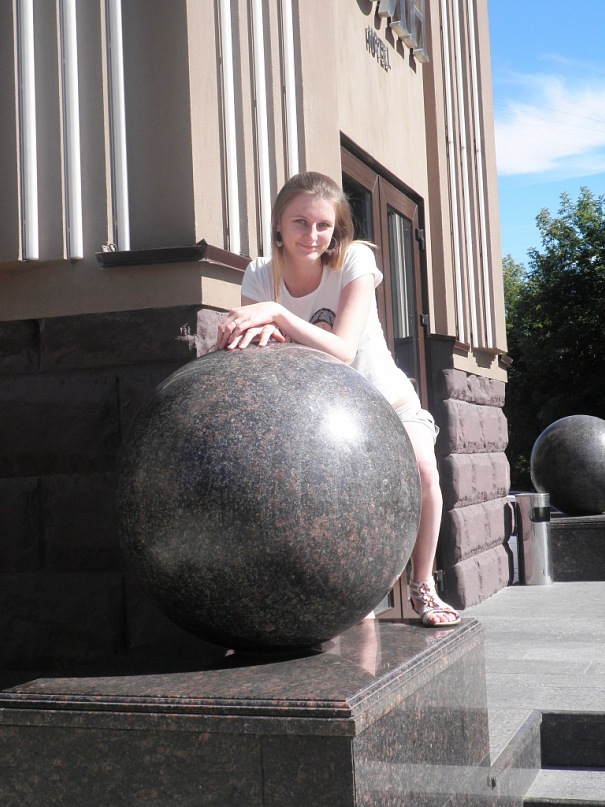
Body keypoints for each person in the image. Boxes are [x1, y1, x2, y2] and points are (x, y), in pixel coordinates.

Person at [216, 171, 460, 627]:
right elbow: (262, 355)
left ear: (336, 229)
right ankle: (353, 587)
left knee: (423, 468)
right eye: (300, 222)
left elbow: (343, 350)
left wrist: (277, 315)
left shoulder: (354, 261)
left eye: (323, 225)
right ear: (278, 224)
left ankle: (423, 584)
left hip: (387, 405)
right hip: (321, 417)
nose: (312, 235)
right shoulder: (260, 274)